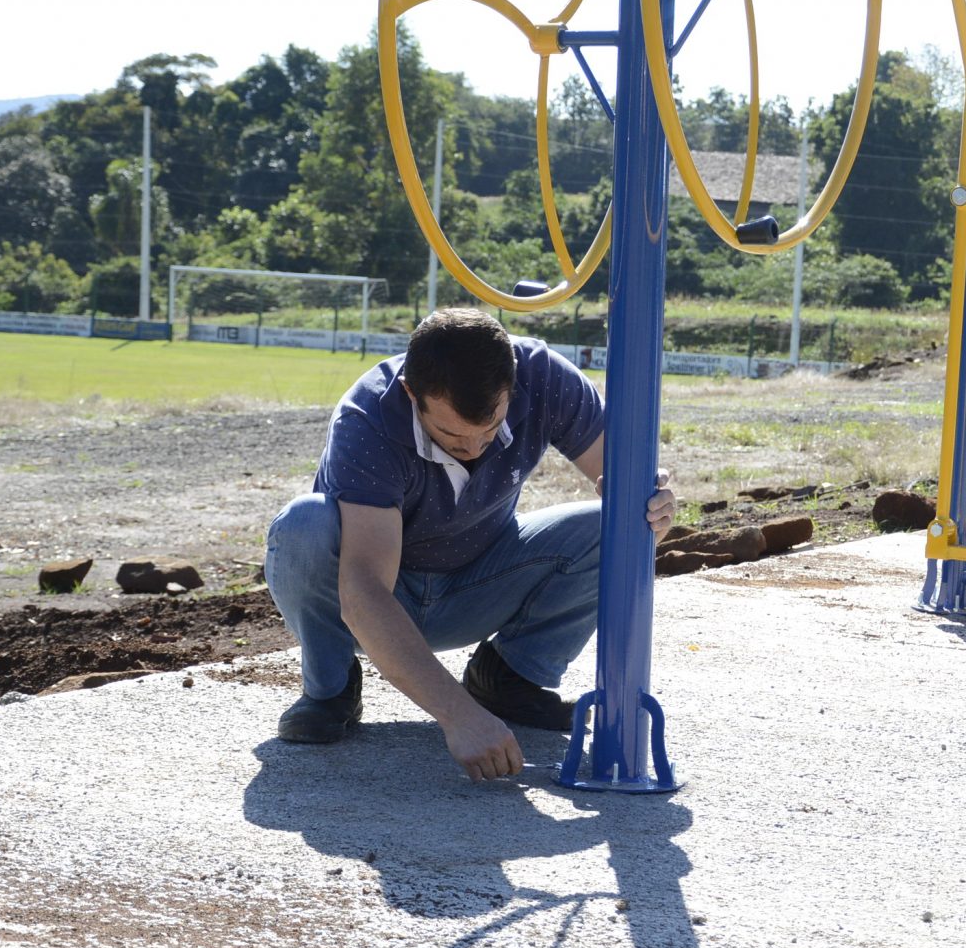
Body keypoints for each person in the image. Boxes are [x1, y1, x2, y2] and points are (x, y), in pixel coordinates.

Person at [262, 307, 672, 781]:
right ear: (411, 393)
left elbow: (628, 485)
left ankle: (510, 678)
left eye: (491, 429)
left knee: (619, 526)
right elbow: (364, 591)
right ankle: (331, 688)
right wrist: (457, 716)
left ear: (512, 385)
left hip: (477, 584)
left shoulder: (543, 377)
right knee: (304, 524)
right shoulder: (368, 419)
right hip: (379, 601)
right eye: (452, 436)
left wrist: (653, 509)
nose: (475, 448)